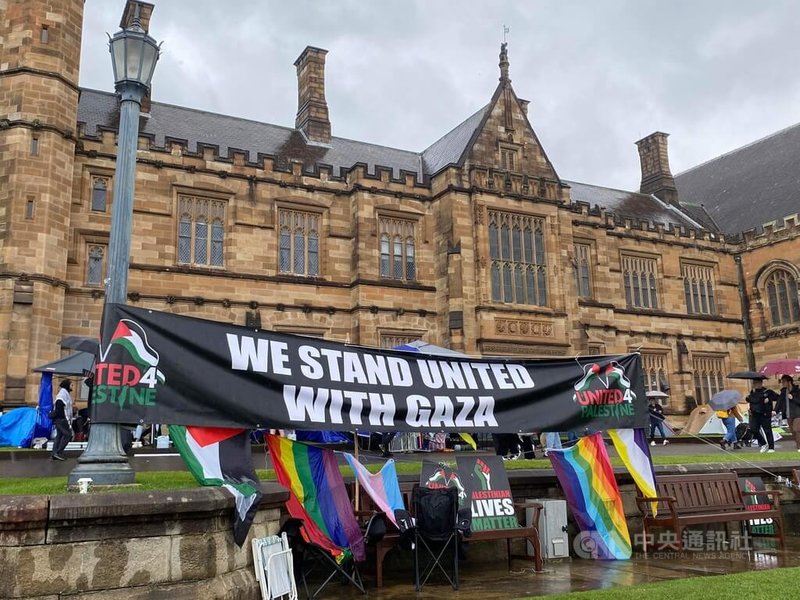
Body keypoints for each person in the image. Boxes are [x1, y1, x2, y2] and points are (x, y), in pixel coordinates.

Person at [746, 377, 778, 453]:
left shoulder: (767, 392)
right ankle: (763, 443)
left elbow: (777, 397)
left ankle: (771, 447)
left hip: (765, 414)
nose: (754, 385)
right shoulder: (752, 392)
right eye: (753, 383)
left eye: (756, 383)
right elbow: (752, 401)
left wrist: (769, 399)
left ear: (760, 383)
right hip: (755, 414)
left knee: (767, 430)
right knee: (753, 429)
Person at [51, 379, 73, 461]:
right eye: (71, 385)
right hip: (62, 419)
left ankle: (54, 453)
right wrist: (65, 419)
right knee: (68, 435)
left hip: (60, 419)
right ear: (67, 385)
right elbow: (59, 405)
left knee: (59, 436)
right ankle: (58, 452)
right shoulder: (62, 394)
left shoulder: (65, 394)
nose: (72, 387)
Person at [778, 375, 800, 451]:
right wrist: (775, 410)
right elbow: (779, 402)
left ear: (789, 382)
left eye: (783, 382)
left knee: (796, 430)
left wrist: (792, 398)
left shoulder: (797, 390)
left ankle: (799, 447)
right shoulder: (783, 391)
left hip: (797, 413)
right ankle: (798, 443)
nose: (782, 383)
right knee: (792, 431)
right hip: (788, 414)